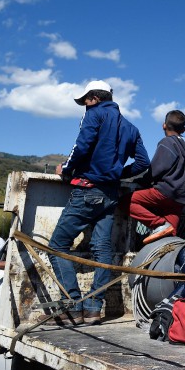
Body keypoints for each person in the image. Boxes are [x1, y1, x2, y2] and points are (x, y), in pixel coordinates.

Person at [46, 80, 150, 326]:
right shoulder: (130, 127)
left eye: (85, 101)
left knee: (57, 246)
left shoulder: (94, 115)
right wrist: (118, 174)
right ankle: (93, 309)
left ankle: (72, 307)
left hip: (88, 190)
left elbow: (81, 146)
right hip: (110, 194)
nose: (84, 106)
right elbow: (143, 163)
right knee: (102, 249)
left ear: (93, 98)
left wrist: (67, 168)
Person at [124, 110, 185, 244]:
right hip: (180, 198)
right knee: (169, 238)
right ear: (184, 129)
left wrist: (141, 181)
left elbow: (155, 170)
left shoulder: (167, 142)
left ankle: (158, 224)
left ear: (164, 125)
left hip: (164, 192)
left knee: (125, 201)